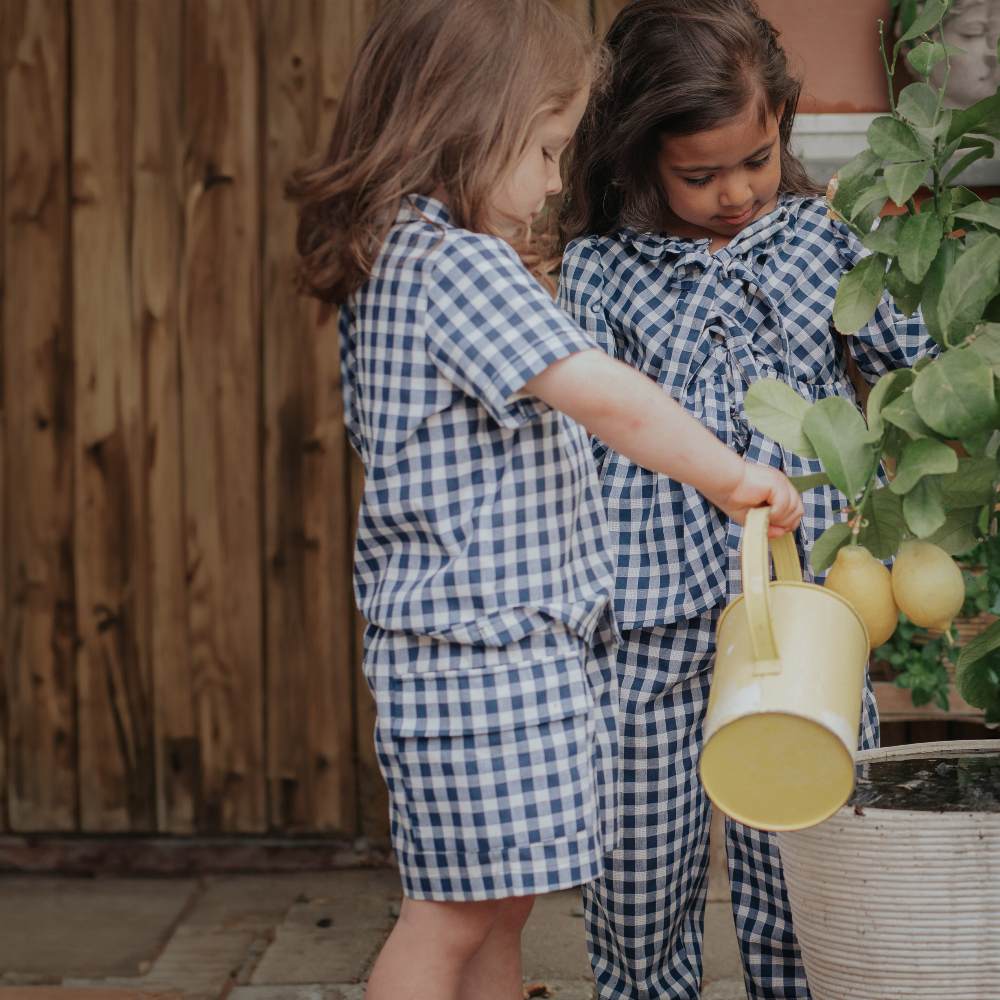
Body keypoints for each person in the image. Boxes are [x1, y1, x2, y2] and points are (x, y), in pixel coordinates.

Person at [287, 2, 802, 999]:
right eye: (542, 149)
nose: (557, 181)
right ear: (463, 129)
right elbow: (606, 397)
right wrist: (730, 475)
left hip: (469, 641)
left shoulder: (403, 255)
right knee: (450, 913)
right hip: (484, 648)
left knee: (496, 898)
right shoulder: (457, 264)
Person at [558, 2, 937, 998]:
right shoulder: (598, 271)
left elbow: (918, 374)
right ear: (636, 155)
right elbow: (575, 429)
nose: (734, 192)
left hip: (809, 610)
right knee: (641, 875)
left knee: (804, 862)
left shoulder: (827, 238)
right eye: (699, 173)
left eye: (756, 159)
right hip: (645, 618)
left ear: (785, 127)